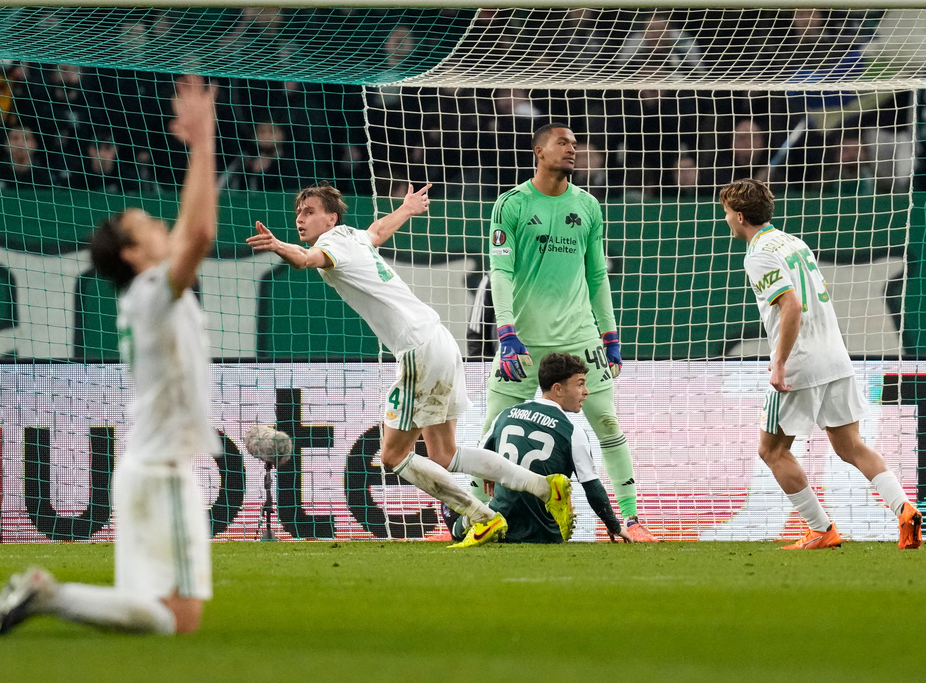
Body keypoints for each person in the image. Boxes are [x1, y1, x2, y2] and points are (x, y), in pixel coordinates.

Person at [0, 74, 220, 636]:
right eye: (145, 226)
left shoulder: (147, 293)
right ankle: (47, 596)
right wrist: (204, 144)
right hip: (160, 473)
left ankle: (44, 596)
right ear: (134, 254)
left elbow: (187, 230)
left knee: (157, 615)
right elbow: (201, 233)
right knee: (177, 620)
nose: (161, 225)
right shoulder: (156, 293)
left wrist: (195, 150)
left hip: (144, 467)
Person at [246, 181, 575, 548]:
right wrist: (406, 209)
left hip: (418, 350)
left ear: (330, 218)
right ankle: (545, 488)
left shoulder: (332, 244)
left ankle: (481, 516)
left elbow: (306, 260)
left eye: (308, 212)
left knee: (392, 455)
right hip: (439, 341)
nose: (299, 219)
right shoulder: (351, 237)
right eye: (297, 213)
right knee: (444, 455)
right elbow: (377, 231)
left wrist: (277, 246)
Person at [720, 178, 922, 550]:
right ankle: (905, 510)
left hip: (802, 362)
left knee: (772, 451)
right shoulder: (794, 242)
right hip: (835, 356)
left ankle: (821, 529)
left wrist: (779, 363)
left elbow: (792, 305)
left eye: (728, 214)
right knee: (851, 446)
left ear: (742, 216)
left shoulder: (759, 253)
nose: (728, 221)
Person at [481, 122, 658, 543]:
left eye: (575, 144)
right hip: (523, 343)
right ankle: (478, 518)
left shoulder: (589, 207)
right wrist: (506, 330)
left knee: (608, 424)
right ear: (538, 151)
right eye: (563, 143)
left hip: (581, 339)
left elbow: (598, 275)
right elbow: (500, 271)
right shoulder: (512, 204)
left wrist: (610, 336)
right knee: (491, 430)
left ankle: (632, 521)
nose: (573, 149)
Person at [445, 353, 629, 544]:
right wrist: (614, 526)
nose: (586, 391)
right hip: (544, 533)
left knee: (457, 521)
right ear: (557, 389)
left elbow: (481, 456)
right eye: (580, 384)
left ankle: (470, 520)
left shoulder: (505, 415)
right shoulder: (572, 431)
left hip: (503, 524)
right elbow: (592, 487)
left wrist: (488, 474)